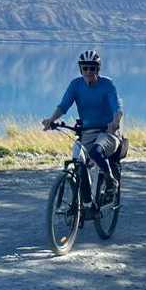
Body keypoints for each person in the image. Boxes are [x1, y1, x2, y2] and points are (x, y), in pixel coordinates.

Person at [42, 50, 123, 204]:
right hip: (87, 133)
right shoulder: (76, 85)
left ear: (97, 69)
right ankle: (85, 204)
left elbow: (117, 108)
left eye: (92, 68)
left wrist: (115, 122)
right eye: (85, 68)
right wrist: (51, 119)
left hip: (108, 133)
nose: (88, 72)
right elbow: (63, 106)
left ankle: (111, 181)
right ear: (80, 69)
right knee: (78, 162)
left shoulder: (107, 85)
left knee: (96, 152)